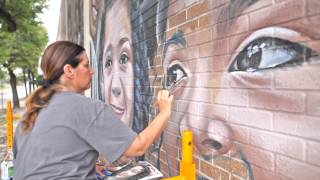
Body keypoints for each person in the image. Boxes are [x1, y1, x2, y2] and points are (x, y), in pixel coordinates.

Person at [13, 41, 173, 180]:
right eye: (86, 65)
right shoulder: (85, 107)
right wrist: (164, 112)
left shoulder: (31, 112)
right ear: (69, 71)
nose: (92, 71)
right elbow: (137, 147)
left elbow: (40, 161)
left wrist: (82, 166)